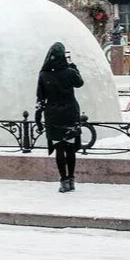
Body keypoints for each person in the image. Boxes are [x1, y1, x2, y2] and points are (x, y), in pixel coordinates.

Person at [35, 42, 84, 192]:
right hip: (69, 113)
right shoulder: (69, 72)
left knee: (59, 149)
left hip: (53, 115)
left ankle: (63, 180)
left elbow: (40, 98)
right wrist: (73, 66)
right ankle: (71, 179)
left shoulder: (44, 75)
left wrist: (38, 119)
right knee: (70, 148)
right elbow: (79, 83)